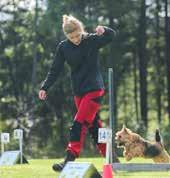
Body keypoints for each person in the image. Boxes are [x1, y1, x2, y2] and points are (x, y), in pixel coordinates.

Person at [38, 14, 117, 172]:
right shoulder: (63, 47)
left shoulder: (91, 40)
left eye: (77, 35)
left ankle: (70, 158)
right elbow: (55, 69)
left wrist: (104, 29)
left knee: (78, 123)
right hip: (79, 91)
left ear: (81, 30)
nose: (75, 39)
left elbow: (111, 36)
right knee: (94, 126)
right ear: (66, 36)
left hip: (95, 89)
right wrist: (44, 87)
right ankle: (112, 159)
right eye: (71, 37)